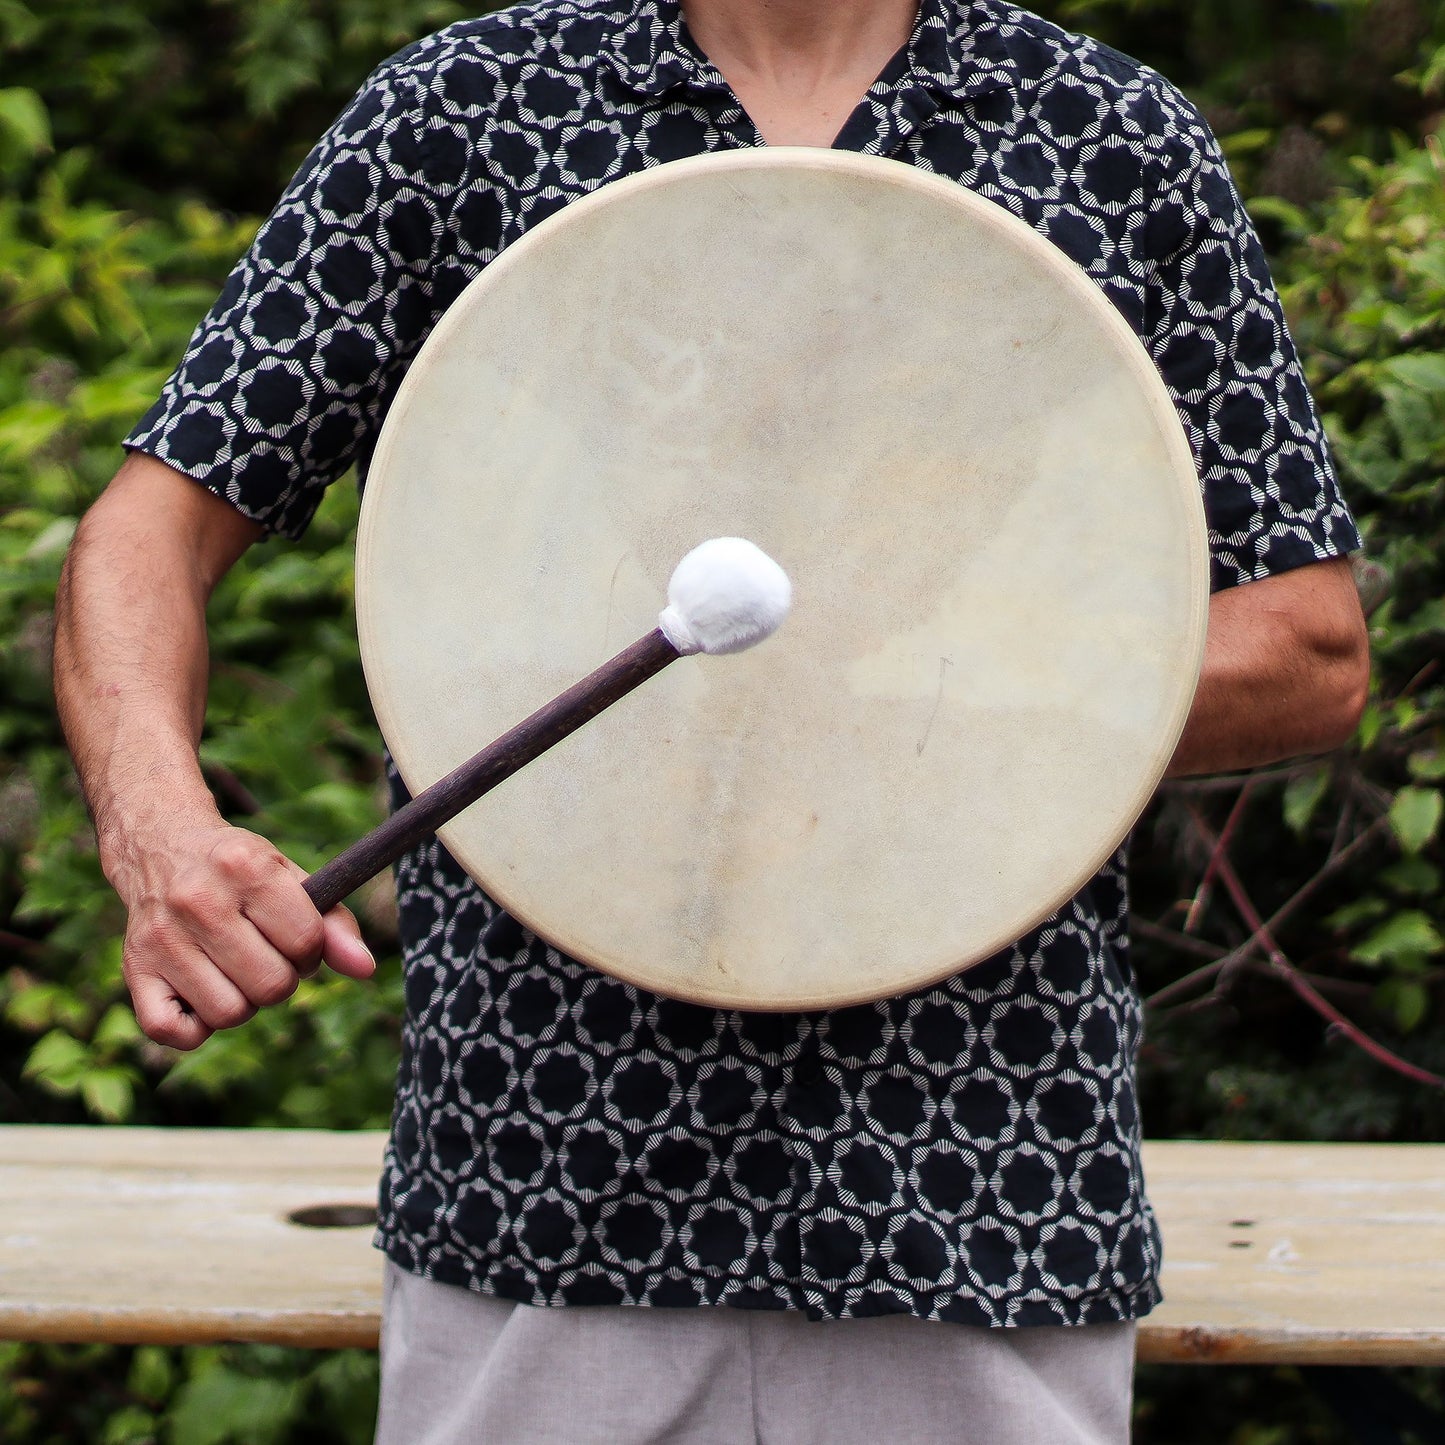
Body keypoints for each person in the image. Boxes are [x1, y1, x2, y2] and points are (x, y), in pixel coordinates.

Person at [54, 0, 1370, 1440]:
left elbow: (1303, 645)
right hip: (543, 1178)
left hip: (974, 1186)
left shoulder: (1105, 134)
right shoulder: (467, 111)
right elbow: (148, 534)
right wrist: (157, 827)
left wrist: (915, 693)